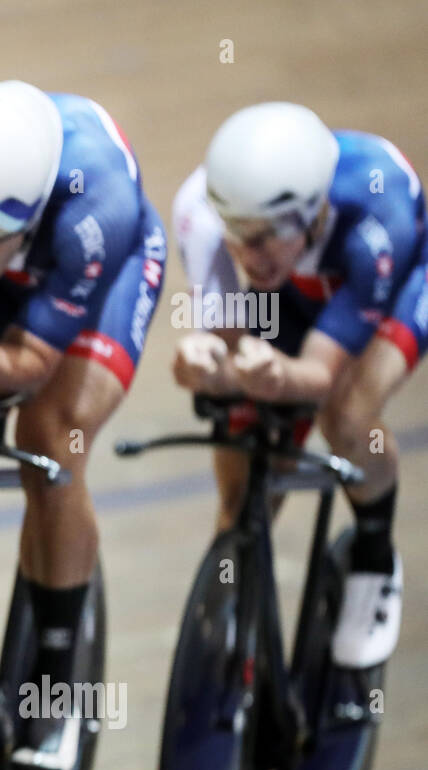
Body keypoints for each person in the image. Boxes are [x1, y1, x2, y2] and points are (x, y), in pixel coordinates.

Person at [0, 82, 167, 770]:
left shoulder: (94, 207)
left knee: (52, 440)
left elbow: (30, 367)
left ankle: (57, 676)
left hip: (102, 273)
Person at [172, 101, 423, 690]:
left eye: (262, 240)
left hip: (396, 285)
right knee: (249, 434)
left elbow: (319, 375)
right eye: (237, 238)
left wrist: (276, 377)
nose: (246, 255)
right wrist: (206, 366)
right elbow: (229, 345)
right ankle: (236, 582)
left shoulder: (376, 224)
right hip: (291, 296)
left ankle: (373, 556)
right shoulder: (203, 214)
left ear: (311, 216)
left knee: (348, 413)